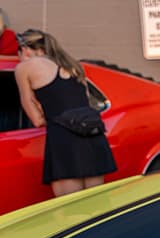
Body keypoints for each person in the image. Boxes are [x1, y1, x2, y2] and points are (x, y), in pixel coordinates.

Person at [14, 28, 116, 197]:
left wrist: (46, 112)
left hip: (64, 140)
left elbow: (37, 120)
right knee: (97, 208)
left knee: (69, 214)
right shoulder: (72, 65)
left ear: (24, 50)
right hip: (93, 137)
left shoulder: (24, 67)